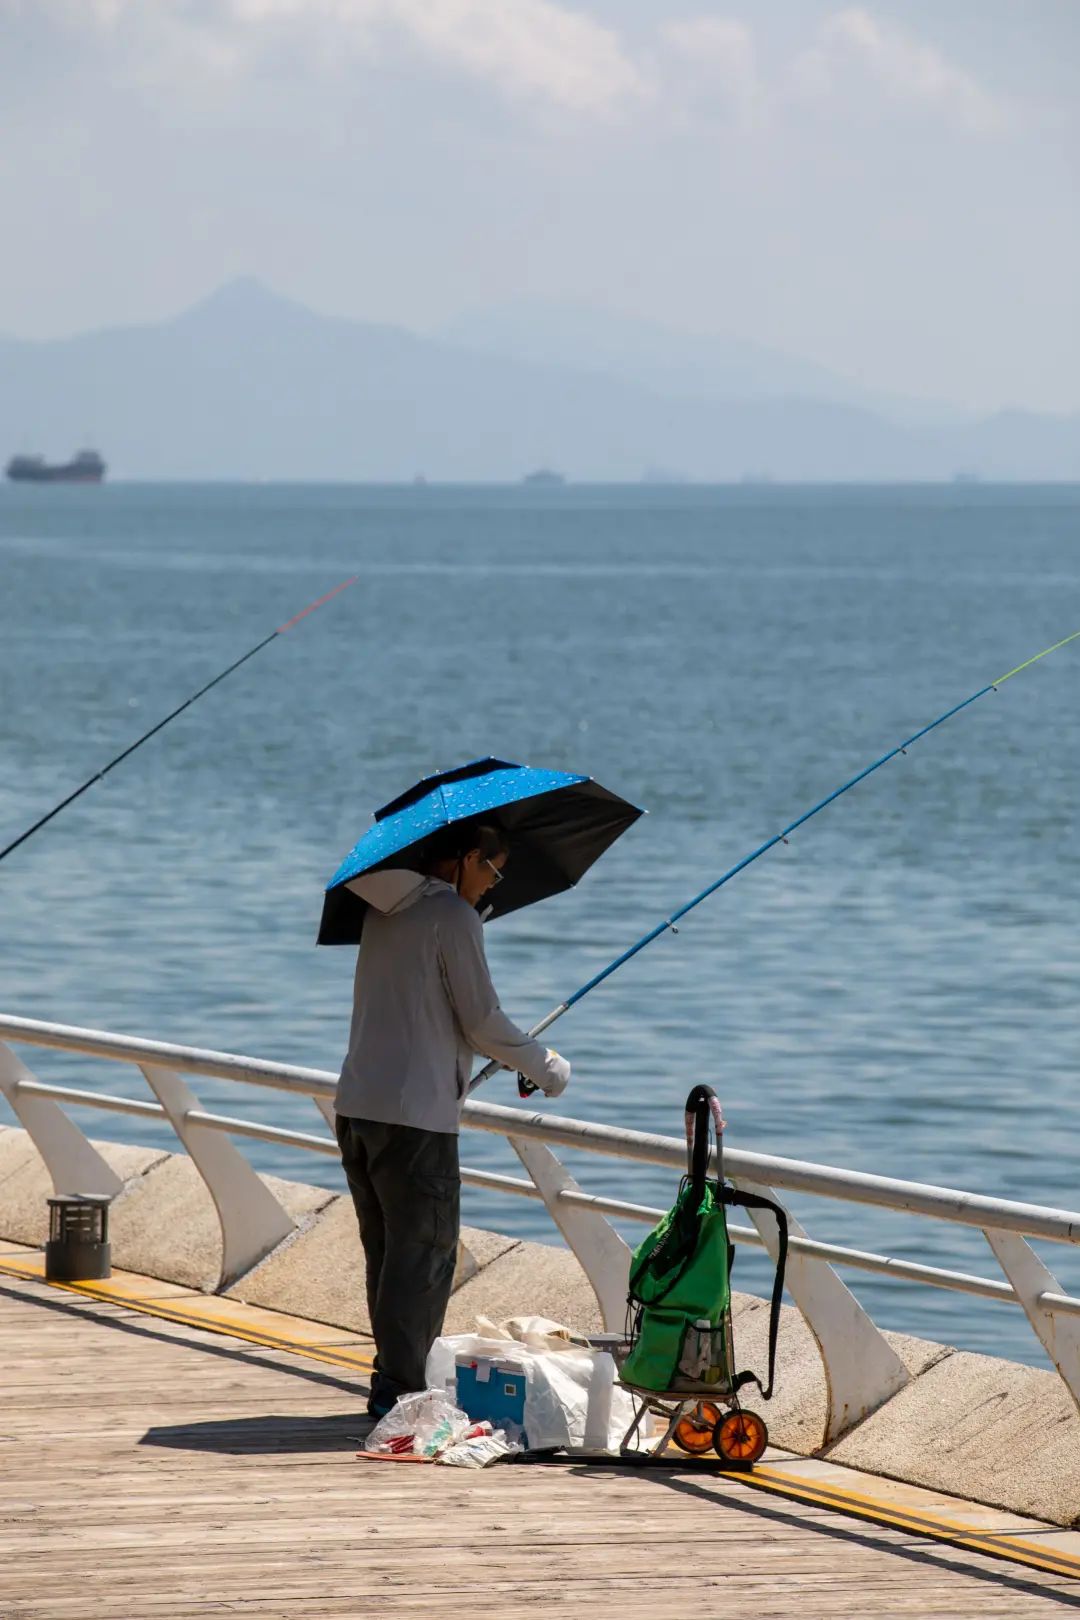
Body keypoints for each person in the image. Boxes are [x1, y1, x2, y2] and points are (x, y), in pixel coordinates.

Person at [334, 818, 571, 1420]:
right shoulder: (451, 916)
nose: (492, 885)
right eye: (492, 870)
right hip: (416, 1120)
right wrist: (547, 1067)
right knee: (424, 1256)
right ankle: (402, 1393)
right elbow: (482, 1020)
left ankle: (391, 1380)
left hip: (359, 1108)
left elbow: (427, 1010)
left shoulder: (382, 909)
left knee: (389, 1254)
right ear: (467, 858)